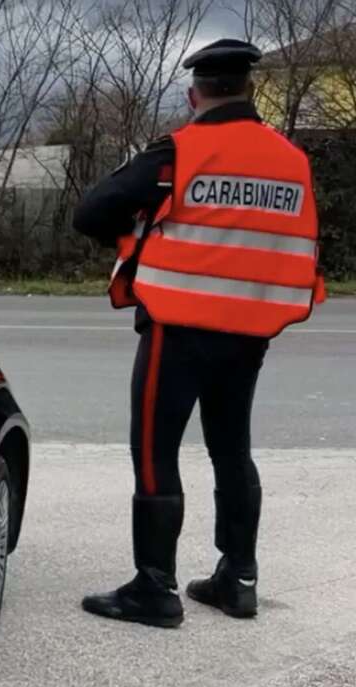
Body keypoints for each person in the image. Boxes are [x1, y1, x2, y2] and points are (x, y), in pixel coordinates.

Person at [73, 38, 323, 627]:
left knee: (156, 449)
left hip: (177, 328)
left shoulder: (179, 153)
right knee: (231, 449)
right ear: (249, 89)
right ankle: (238, 579)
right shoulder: (292, 160)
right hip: (250, 330)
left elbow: (89, 213)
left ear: (194, 94)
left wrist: (142, 222)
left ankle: (154, 589)